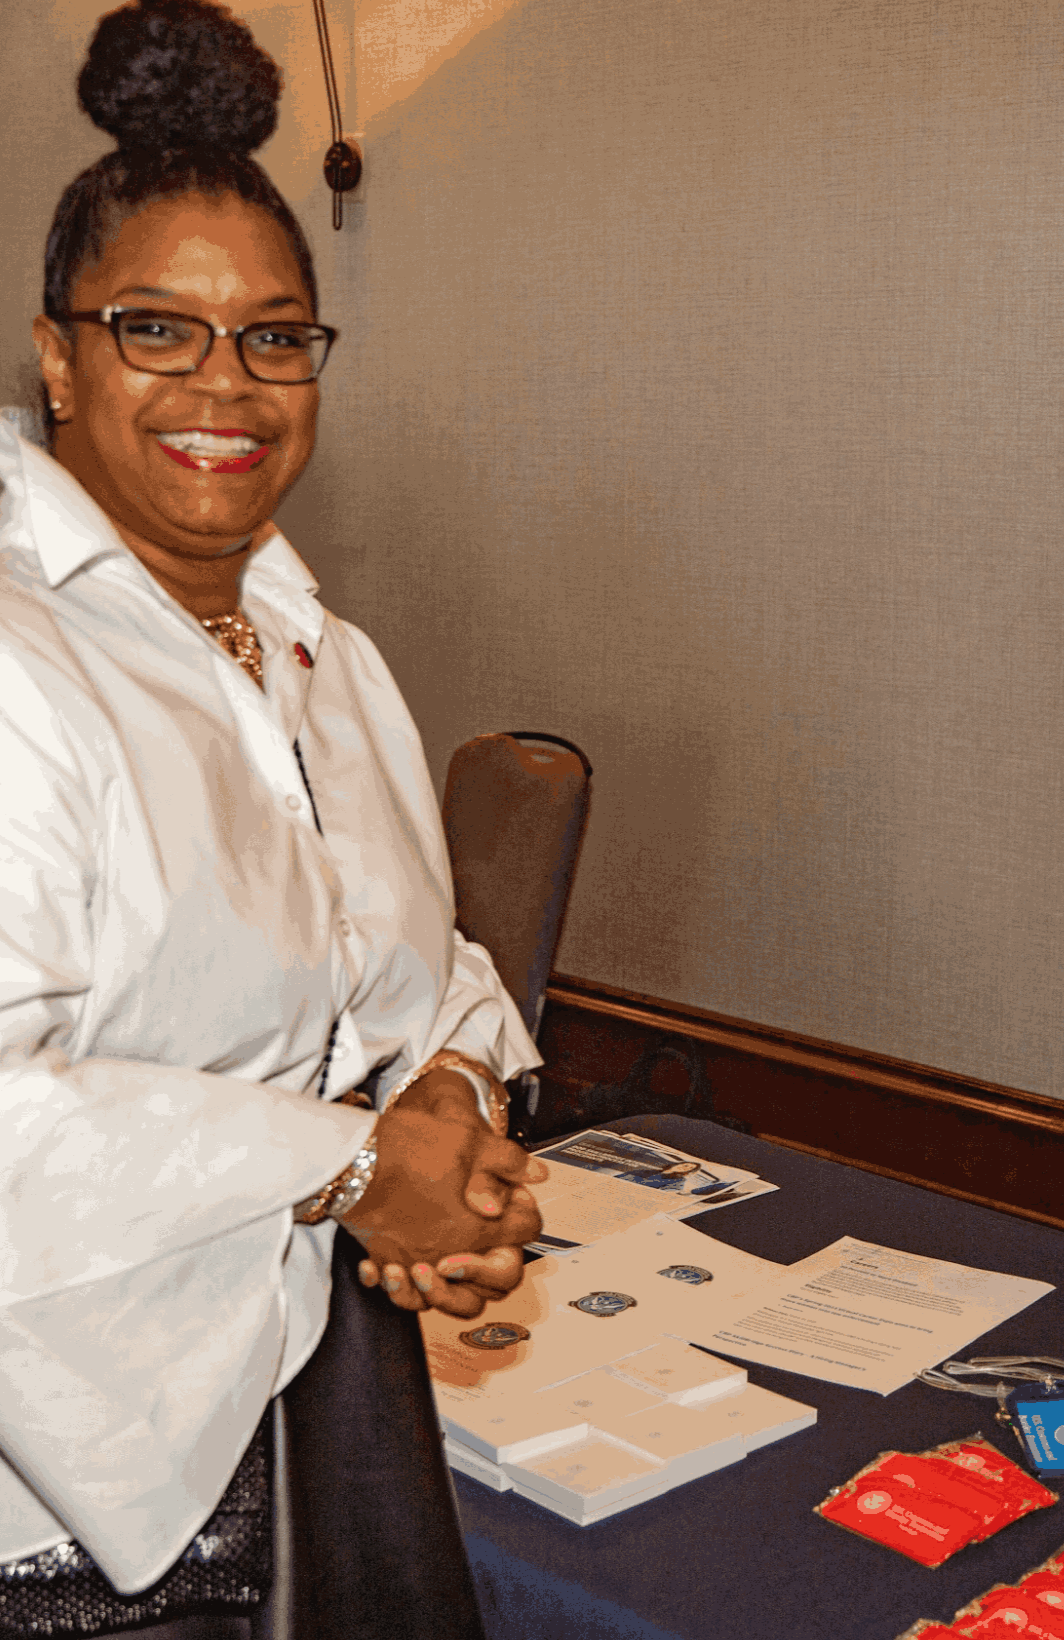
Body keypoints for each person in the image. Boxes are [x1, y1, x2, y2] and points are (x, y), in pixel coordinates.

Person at [0, 2, 549, 1634]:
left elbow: (417, 962)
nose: (222, 384)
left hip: (307, 1420)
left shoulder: (327, 654)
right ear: (58, 357)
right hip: (66, 1520)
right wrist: (358, 1164)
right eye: (156, 329)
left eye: (275, 335)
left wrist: (448, 1104)